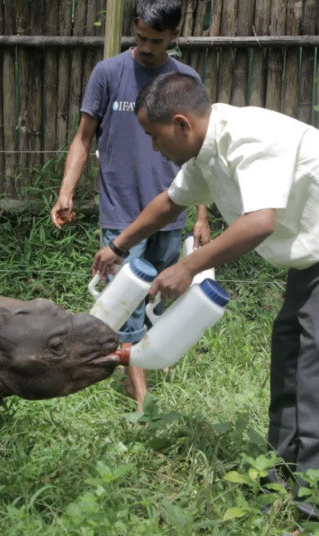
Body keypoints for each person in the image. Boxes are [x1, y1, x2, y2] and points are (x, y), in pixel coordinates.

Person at [93, 72, 319, 525]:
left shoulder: (250, 139)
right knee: (290, 366)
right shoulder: (206, 152)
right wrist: (118, 247)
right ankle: (281, 480)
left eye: (154, 138)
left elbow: (259, 223)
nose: (155, 149)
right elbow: (169, 202)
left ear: (181, 124)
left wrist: (187, 266)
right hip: (314, 259)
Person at [50, 0, 210, 411]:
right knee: (129, 304)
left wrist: (201, 215)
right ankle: (142, 402)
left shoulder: (185, 80)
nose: (145, 47)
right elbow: (83, 138)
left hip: (171, 213)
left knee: (158, 298)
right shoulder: (108, 73)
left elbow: (201, 155)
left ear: (174, 35)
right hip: (122, 214)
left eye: (156, 40)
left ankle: (134, 369)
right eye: (139, 37)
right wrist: (66, 191)